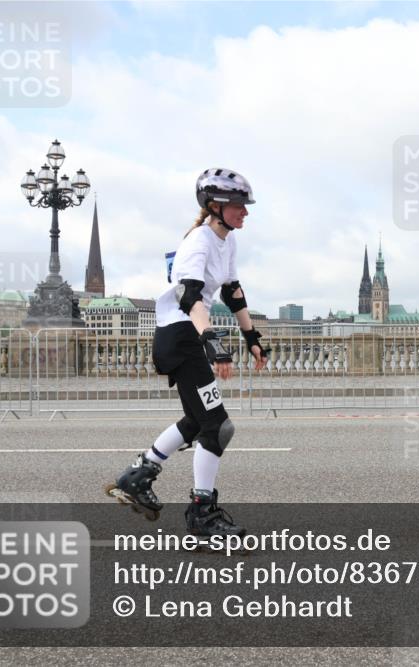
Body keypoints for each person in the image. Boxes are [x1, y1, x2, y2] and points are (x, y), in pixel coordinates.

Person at [107, 168, 268, 535]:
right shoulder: (198, 242)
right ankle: (202, 515)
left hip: (186, 336)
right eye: (239, 205)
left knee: (198, 420)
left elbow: (233, 292)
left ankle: (138, 475)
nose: (246, 212)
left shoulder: (227, 241)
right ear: (215, 205)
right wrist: (213, 342)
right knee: (217, 426)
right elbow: (188, 295)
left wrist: (252, 338)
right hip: (181, 336)